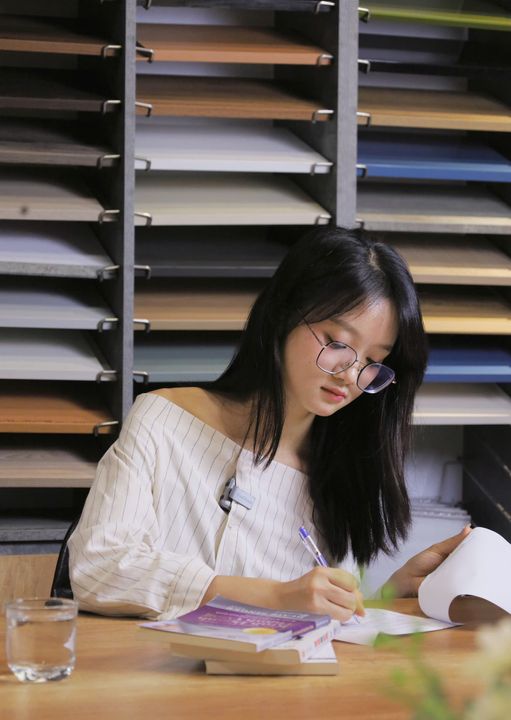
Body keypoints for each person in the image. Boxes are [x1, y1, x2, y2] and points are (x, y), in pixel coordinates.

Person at [68, 228, 470, 621]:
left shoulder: (341, 475)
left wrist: (389, 598)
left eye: (372, 361)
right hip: (148, 665)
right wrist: (274, 596)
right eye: (338, 343)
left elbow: (322, 621)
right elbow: (99, 567)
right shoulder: (162, 420)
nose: (350, 375)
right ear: (284, 315)